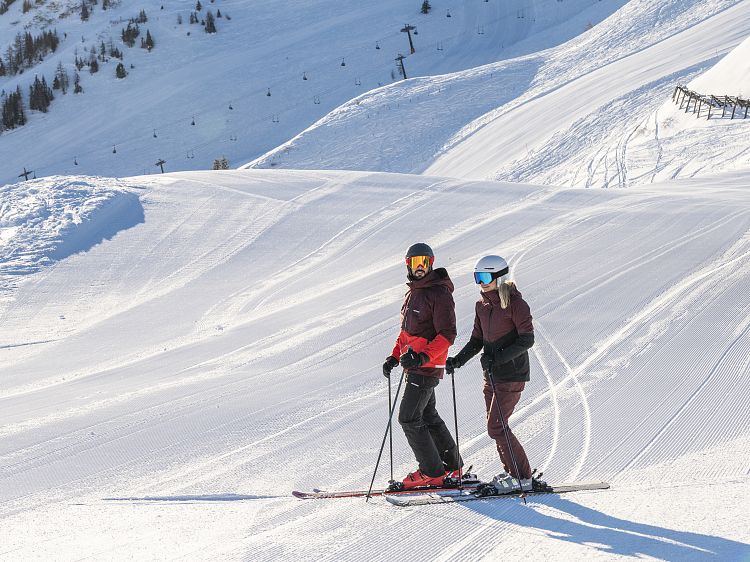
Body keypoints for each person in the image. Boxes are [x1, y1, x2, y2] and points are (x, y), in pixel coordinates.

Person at [446, 255, 535, 493]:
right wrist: (458, 360)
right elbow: (477, 340)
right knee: (497, 426)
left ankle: (522, 476)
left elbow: (527, 339)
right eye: (477, 277)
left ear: (499, 276)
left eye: (485, 277)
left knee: (496, 427)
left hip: (512, 374)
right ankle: (512, 473)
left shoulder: (516, 304)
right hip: (492, 376)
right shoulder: (482, 306)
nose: (481, 283)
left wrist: (498, 358)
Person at [382, 242, 462, 489]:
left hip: (425, 367)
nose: (419, 267)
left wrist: (422, 357)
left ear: (431, 263)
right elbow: (407, 333)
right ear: (408, 265)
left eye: (423, 262)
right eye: (414, 262)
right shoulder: (414, 292)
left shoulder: (438, 293)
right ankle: (452, 466)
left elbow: (448, 334)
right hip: (415, 366)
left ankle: (432, 472)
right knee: (428, 415)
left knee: (408, 418)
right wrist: (394, 357)